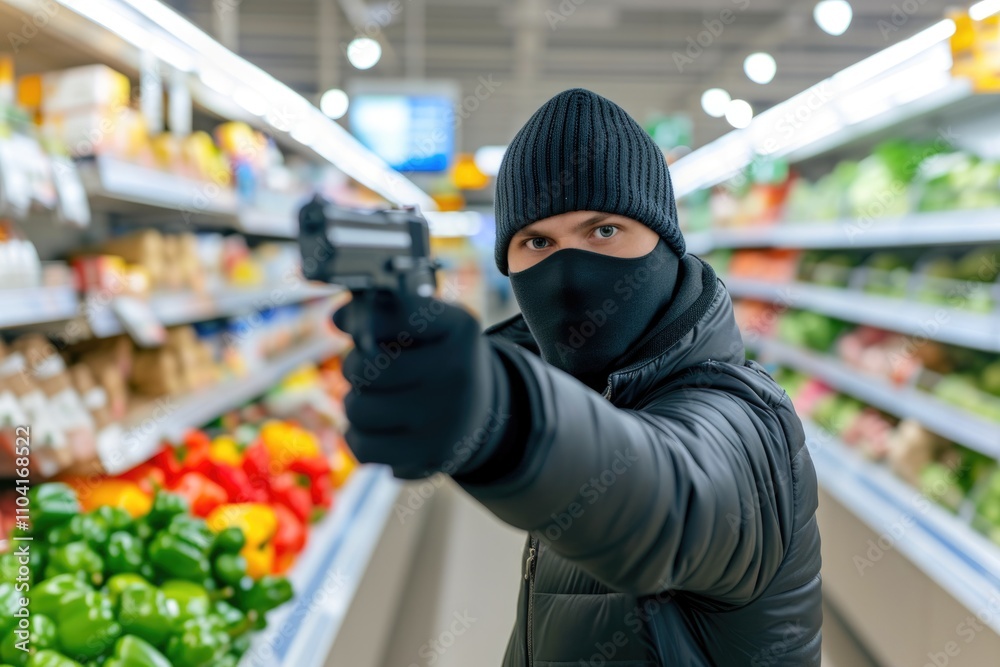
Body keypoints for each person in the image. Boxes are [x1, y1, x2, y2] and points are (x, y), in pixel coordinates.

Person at [333, 88, 822, 666]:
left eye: (604, 231)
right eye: (537, 241)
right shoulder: (589, 390)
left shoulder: (747, 423)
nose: (568, 273)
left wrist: (498, 411)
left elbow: (667, 495)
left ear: (665, 242)